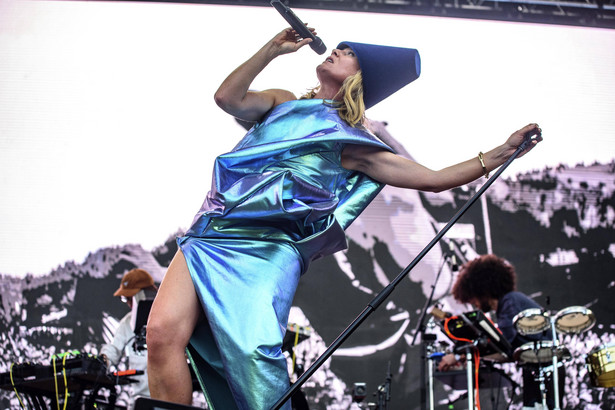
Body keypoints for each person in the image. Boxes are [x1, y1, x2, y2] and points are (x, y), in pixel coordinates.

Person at [146, 26, 542, 410]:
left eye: (348, 52)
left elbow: (435, 180)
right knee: (161, 333)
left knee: (252, 356)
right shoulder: (282, 103)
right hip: (212, 233)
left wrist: (500, 153)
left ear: (360, 78)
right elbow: (227, 98)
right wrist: (272, 49)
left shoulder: (351, 142)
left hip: (266, 252)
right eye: (338, 46)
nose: (336, 50)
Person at [437, 254, 564, 409]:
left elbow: (501, 343)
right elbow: (507, 352)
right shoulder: (510, 304)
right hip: (538, 371)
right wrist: (467, 357)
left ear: (483, 289)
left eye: (473, 298)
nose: (475, 304)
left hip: (545, 371)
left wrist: (458, 355)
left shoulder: (511, 301)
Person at [100, 268, 158, 402]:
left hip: (170, 400)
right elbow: (114, 348)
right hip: (139, 400)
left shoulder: (170, 317)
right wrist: (102, 361)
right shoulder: (127, 322)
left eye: (129, 298)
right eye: (124, 298)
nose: (127, 302)